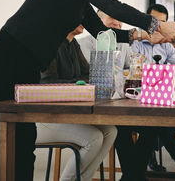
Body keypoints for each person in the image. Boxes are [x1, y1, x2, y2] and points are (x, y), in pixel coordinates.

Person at [0, 0, 175, 181]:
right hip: (8, 56)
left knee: (23, 139)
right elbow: (112, 5)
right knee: (1, 138)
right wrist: (157, 25)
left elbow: (102, 32)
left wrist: (144, 36)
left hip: (26, 60)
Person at [115, 4, 175, 181]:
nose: (160, 27)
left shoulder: (166, 45)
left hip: (159, 102)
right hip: (134, 104)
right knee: (156, 123)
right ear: (147, 21)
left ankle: (132, 175)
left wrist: (164, 72)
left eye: (163, 23)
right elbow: (130, 71)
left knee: (159, 122)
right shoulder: (132, 41)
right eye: (156, 22)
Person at [35, 25, 117, 181]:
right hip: (45, 117)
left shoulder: (73, 43)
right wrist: (79, 83)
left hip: (68, 115)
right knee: (94, 138)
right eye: (77, 17)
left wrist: (82, 82)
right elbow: (47, 82)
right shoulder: (49, 44)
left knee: (111, 131)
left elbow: (89, 74)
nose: (82, 21)